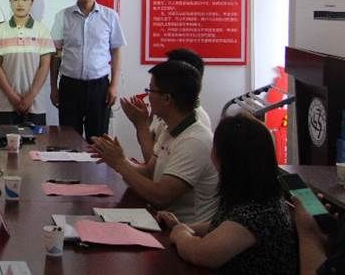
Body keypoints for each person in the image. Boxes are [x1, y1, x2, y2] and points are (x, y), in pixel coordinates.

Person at [157, 112, 298, 274]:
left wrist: (180, 233)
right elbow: (221, 225)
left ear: (226, 158)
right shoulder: (255, 194)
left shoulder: (256, 214)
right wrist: (183, 227)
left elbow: (200, 253)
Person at [90, 60, 218, 224]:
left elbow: (161, 197)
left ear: (167, 99)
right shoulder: (169, 128)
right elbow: (149, 172)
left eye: (150, 90)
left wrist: (121, 164)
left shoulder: (195, 141)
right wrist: (117, 159)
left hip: (184, 230)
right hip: (160, 220)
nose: (147, 96)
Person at [50, 0, 125, 139]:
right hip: (69, 87)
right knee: (69, 140)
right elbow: (56, 54)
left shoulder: (110, 16)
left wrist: (114, 85)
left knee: (98, 141)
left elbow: (116, 52)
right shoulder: (62, 16)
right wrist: (53, 87)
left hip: (99, 88)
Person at [121, 48, 212, 162]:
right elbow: (153, 161)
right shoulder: (170, 115)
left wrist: (141, 125)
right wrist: (143, 124)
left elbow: (153, 167)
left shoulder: (195, 124)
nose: (149, 95)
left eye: (151, 90)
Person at [0, 0, 55, 125]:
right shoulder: (0, 30)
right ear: (10, 2)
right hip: (6, 103)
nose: (20, 4)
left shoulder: (42, 30)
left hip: (35, 103)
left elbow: (44, 66)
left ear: (31, 2)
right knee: (5, 139)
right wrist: (12, 96)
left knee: (36, 139)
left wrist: (30, 96)